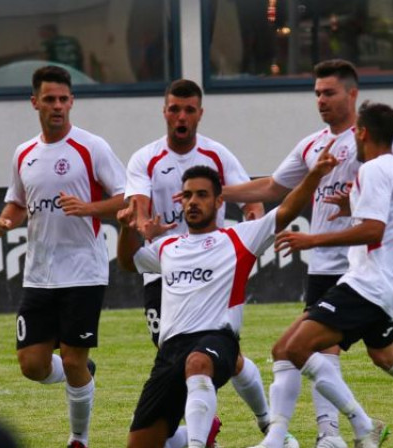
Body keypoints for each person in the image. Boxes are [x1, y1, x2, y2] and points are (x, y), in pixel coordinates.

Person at [223, 59, 393, 448]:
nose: (321, 100)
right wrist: (218, 192)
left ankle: (354, 427)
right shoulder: (311, 144)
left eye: (329, 92)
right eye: (317, 93)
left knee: (372, 353)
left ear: (352, 94)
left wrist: (350, 208)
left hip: (364, 267)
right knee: (316, 350)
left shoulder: (371, 144)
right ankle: (330, 434)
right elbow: (273, 186)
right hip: (324, 265)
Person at [248, 102, 393, 448]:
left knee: (296, 348)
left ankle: (361, 425)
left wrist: (312, 239)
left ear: (362, 133)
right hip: (385, 284)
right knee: (378, 353)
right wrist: (353, 207)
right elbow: (387, 219)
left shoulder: (373, 170)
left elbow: (373, 231)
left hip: (365, 285)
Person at [117, 156, 337, 448]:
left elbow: (285, 211)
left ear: (220, 202)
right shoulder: (168, 246)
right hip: (169, 353)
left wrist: (315, 175)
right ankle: (195, 438)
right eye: (188, 195)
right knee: (140, 443)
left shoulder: (239, 238)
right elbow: (130, 263)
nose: (193, 202)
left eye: (202, 195)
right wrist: (126, 229)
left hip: (217, 340)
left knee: (197, 362)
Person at [124, 78, 269, 447]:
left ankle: (264, 424)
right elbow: (138, 208)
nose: (181, 116)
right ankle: (201, 430)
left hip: (210, 272)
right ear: (165, 112)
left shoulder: (217, 155)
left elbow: (251, 200)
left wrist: (252, 226)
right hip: (165, 268)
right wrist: (144, 227)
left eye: (189, 109)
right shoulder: (146, 158)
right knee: (177, 355)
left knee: (205, 357)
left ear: (200, 114)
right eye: (175, 109)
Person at [0, 65, 126, 448]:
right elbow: (17, 203)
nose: (58, 106)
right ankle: (79, 370)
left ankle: (78, 439)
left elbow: (126, 198)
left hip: (84, 272)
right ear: (34, 102)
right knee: (32, 365)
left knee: (71, 358)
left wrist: (89, 208)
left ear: (72, 102)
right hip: (39, 275)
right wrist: (4, 221)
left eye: (64, 99)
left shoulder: (91, 147)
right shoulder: (24, 153)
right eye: (49, 99)